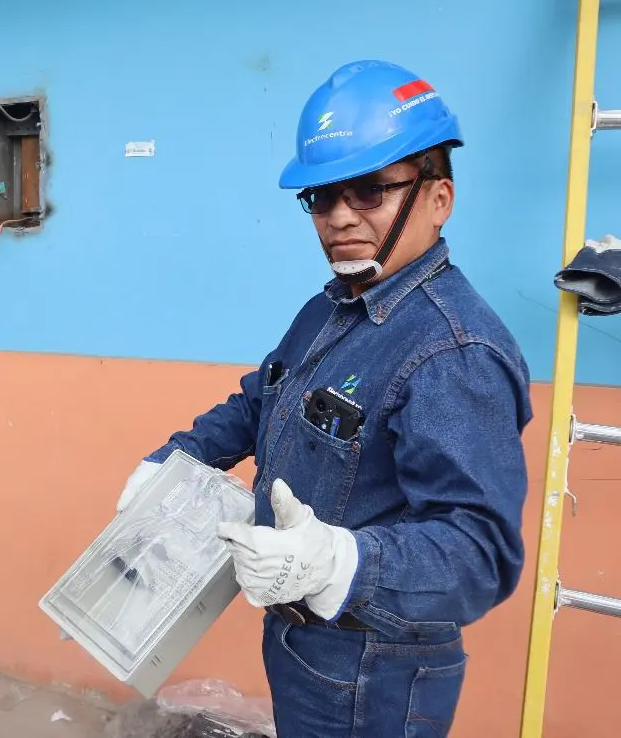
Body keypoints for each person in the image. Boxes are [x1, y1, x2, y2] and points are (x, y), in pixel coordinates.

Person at [115, 60, 531, 736]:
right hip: (300, 642)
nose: (339, 217)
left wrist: (337, 561)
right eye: (321, 196)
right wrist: (175, 459)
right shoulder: (332, 307)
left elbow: (479, 553)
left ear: (439, 199)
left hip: (375, 668)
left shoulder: (454, 352)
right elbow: (261, 398)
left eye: (369, 191)